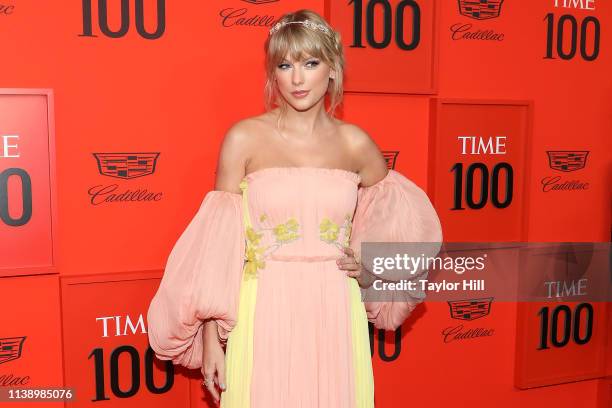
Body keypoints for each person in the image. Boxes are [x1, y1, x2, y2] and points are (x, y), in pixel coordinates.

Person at [146, 9, 442, 408]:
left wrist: (374, 263)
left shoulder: (356, 144)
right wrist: (210, 338)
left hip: (335, 308)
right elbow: (216, 251)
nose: (297, 78)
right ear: (273, 74)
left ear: (333, 69)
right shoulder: (244, 138)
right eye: (285, 65)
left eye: (310, 63)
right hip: (264, 307)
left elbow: (405, 221)